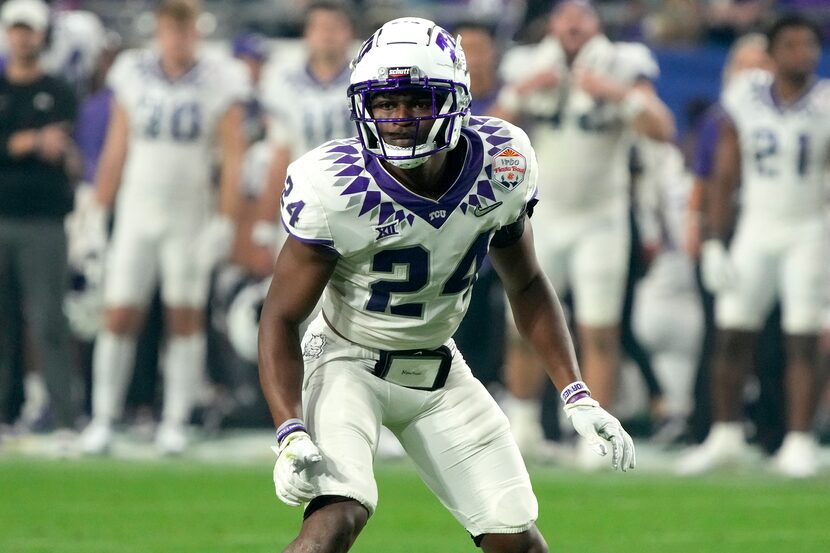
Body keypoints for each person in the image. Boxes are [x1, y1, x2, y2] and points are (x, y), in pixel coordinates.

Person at [258, 17, 635, 552]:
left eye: (417, 101)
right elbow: (279, 316)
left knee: (519, 543)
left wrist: (576, 393)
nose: (400, 118)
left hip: (438, 366)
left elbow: (526, 284)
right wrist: (289, 430)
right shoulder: (333, 185)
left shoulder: (501, 162)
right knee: (337, 515)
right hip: (345, 360)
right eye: (385, 103)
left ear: (456, 99)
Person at [493, 0, 675, 463]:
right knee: (523, 326)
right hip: (544, 214)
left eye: (583, 14)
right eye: (565, 14)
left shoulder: (624, 64)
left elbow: (662, 129)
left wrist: (617, 93)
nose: (573, 23)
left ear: (596, 23)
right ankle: (525, 426)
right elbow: (488, 132)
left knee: (600, 330)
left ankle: (597, 434)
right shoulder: (526, 63)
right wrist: (523, 91)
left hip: (602, 218)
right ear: (552, 23)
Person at [79, 0, 249, 455]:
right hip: (137, 208)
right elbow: (117, 146)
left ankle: (176, 418)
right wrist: (98, 210)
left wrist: (226, 220)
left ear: (196, 30)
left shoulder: (219, 78)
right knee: (118, 313)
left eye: (184, 27)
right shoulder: (133, 72)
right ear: (158, 29)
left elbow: (233, 156)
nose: (177, 36)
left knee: (185, 316)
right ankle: (103, 417)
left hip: (189, 211)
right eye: (169, 27)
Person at [679, 14, 829, 478]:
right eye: (792, 45)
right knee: (730, 332)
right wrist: (715, 240)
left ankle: (800, 440)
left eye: (809, 45)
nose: (802, 54)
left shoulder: (826, 102)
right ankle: (724, 436)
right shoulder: (745, 97)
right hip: (757, 229)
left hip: (809, 229)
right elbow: (725, 173)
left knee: (802, 337)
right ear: (773, 52)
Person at [0, 0, 79, 432]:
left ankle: (64, 417)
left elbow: (67, 151)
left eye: (29, 28)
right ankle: (6, 413)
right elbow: (36, 144)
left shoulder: (60, 90)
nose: (22, 36)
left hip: (45, 222)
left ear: (41, 34)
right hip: (3, 217)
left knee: (49, 319)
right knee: (3, 324)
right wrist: (28, 142)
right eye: (16, 28)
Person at [252, 0, 355, 251]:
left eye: (334, 27)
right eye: (319, 27)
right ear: (306, 33)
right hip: (303, 200)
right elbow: (280, 154)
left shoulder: (365, 79)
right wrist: (266, 218)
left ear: (348, 32)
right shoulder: (284, 82)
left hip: (357, 200)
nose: (327, 35)